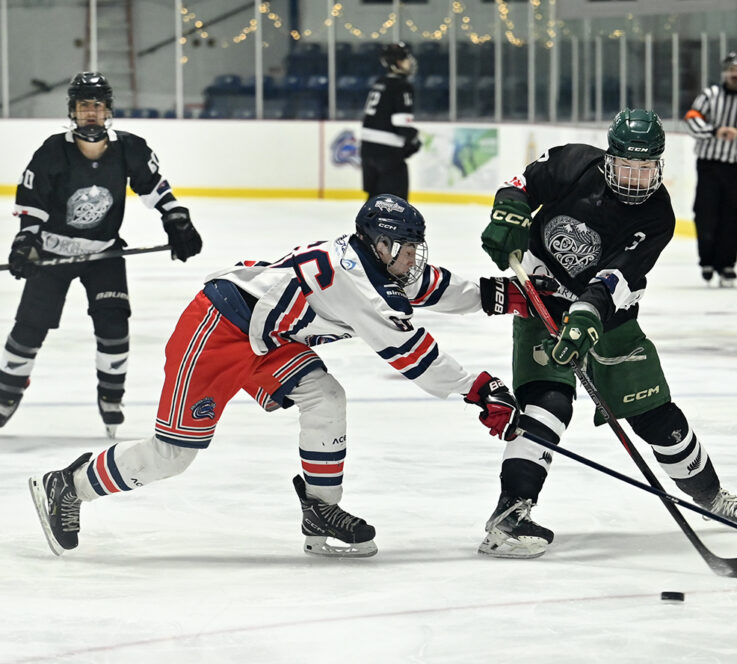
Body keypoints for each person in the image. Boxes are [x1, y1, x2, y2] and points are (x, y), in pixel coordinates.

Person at [29, 194, 526, 558]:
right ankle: (69, 485)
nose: (414, 258)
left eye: (416, 247)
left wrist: (500, 295)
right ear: (380, 243)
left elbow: (432, 285)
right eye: (407, 248)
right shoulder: (359, 284)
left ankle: (320, 511)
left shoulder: (374, 263)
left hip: (268, 337)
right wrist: (478, 390)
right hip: (217, 329)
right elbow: (412, 354)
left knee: (325, 397)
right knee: (173, 455)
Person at [476, 108, 737, 559]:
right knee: (547, 403)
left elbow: (613, 280)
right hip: (541, 302)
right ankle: (509, 514)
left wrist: (586, 316)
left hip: (609, 317)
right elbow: (521, 185)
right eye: (627, 166)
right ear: (610, 158)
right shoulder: (574, 162)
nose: (636, 178)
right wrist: (509, 215)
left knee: (656, 416)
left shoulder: (657, 216)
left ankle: (712, 497)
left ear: (659, 166)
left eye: (645, 168)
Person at [0, 72, 202, 437]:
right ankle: (6, 394)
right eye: (83, 106)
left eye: (97, 105)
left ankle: (111, 397)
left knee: (114, 327)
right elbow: (33, 202)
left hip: (103, 254)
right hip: (53, 253)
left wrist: (175, 218)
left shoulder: (129, 148)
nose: (90, 112)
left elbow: (154, 187)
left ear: (108, 110)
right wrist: (25, 241)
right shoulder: (52, 150)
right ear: (72, 111)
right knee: (28, 330)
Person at [684, 51, 737, 287]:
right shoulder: (710, 95)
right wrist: (714, 130)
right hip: (709, 166)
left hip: (736, 168)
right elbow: (691, 119)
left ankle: (727, 265)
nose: (735, 74)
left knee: (733, 217)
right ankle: (707, 262)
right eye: (732, 70)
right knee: (706, 214)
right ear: (724, 72)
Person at [360, 41, 420, 201]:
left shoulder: (379, 83)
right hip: (388, 155)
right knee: (396, 204)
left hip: (367, 151)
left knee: (374, 202)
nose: (409, 62)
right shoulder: (402, 86)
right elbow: (402, 124)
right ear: (396, 63)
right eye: (405, 59)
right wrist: (413, 140)